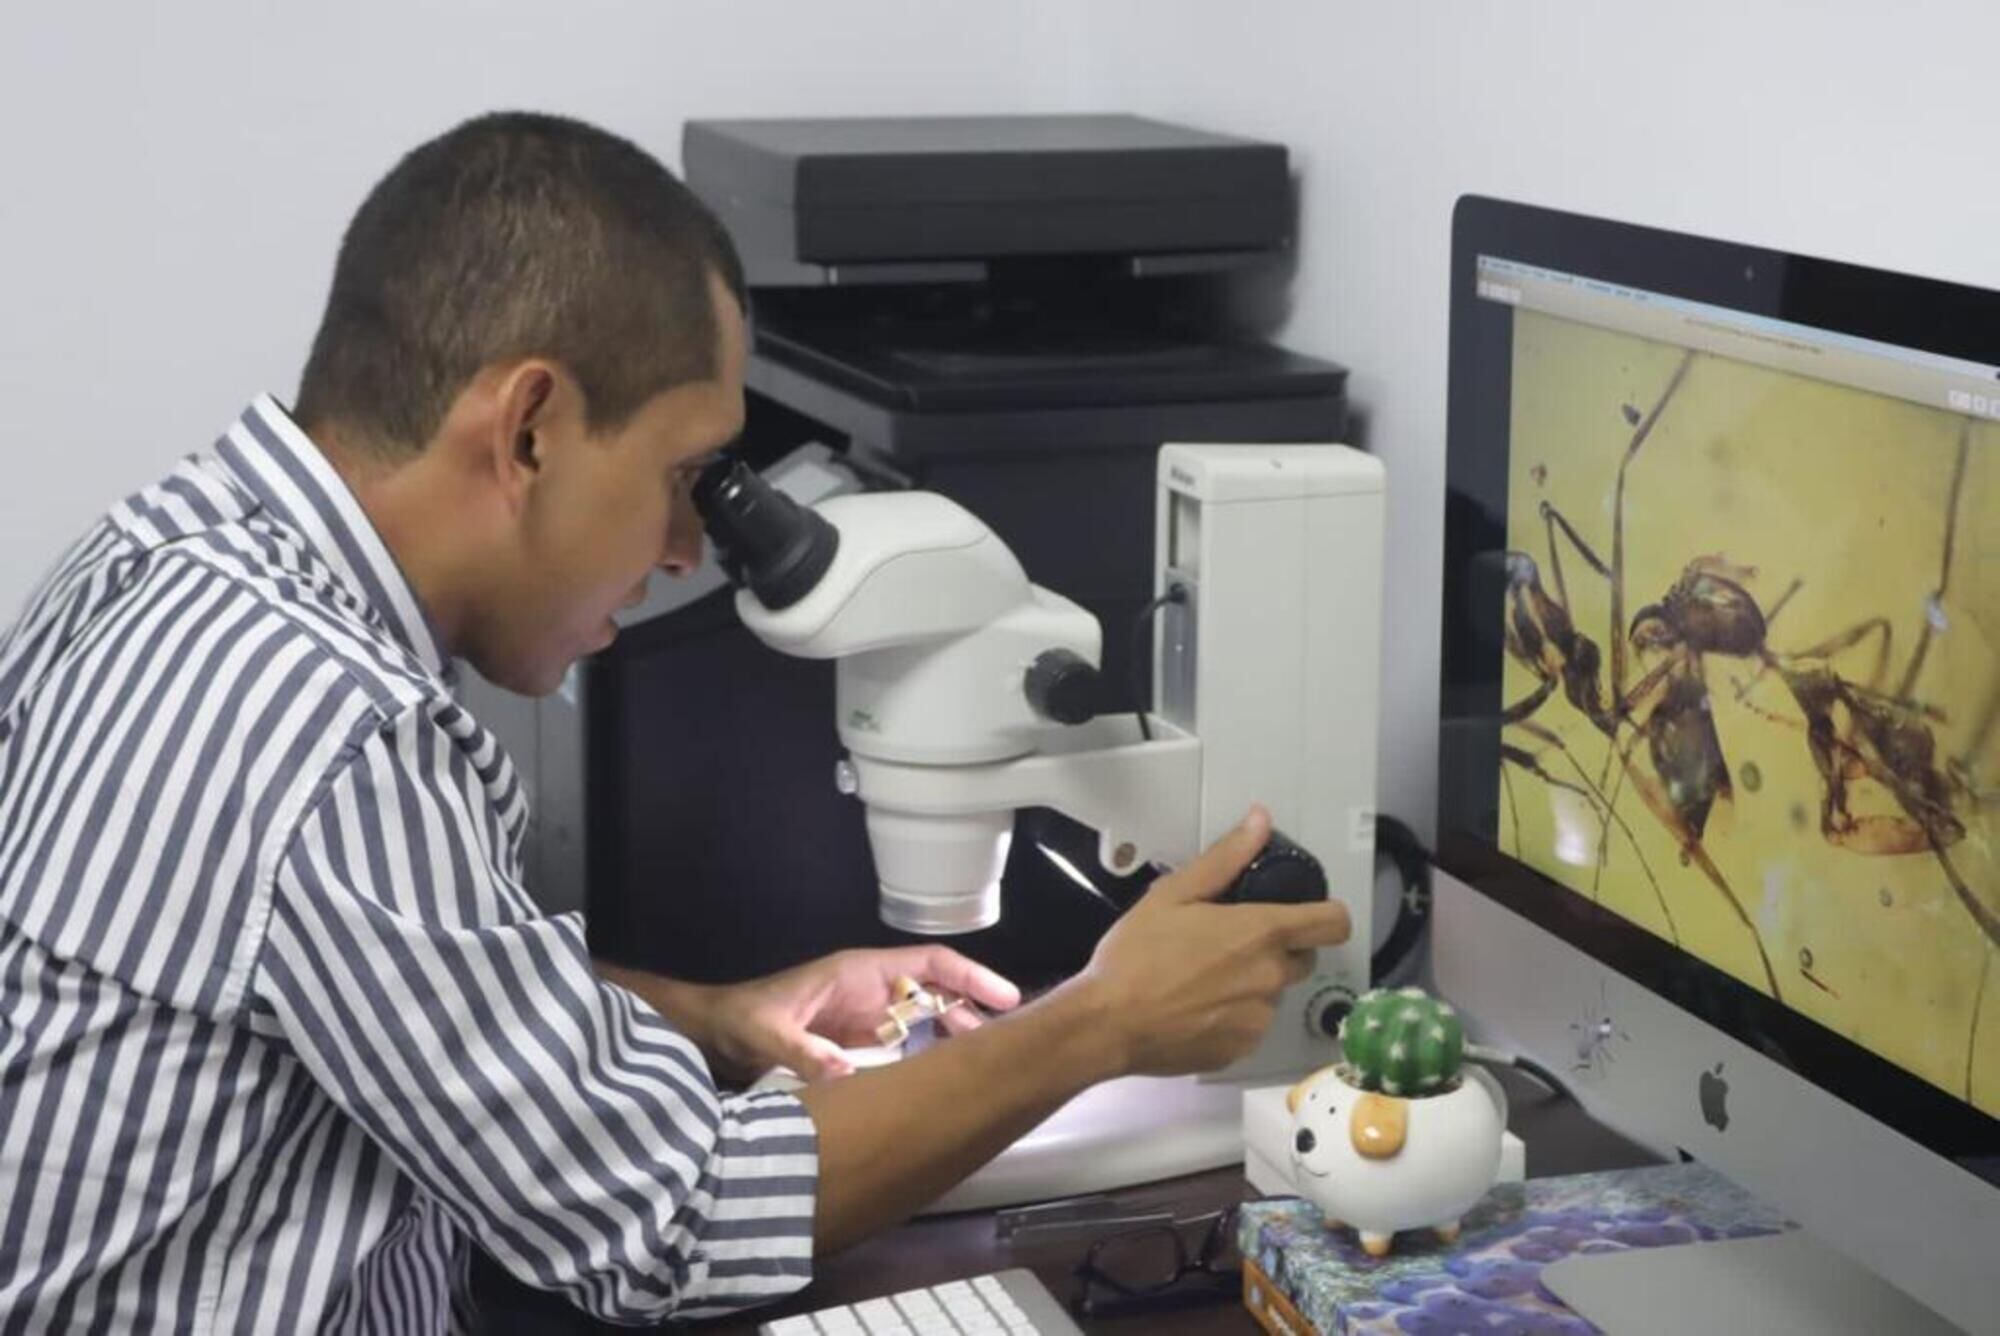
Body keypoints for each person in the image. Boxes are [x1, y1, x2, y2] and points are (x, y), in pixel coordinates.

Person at [0, 111, 1351, 1331]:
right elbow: (669, 1226)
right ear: (528, 427)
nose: (685, 550)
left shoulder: (156, 557)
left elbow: (335, 981)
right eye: (684, 477)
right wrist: (1103, 1022)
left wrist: (715, 1015)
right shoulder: (334, 729)